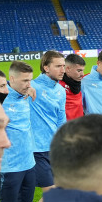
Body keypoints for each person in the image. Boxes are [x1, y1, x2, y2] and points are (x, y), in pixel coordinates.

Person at [0, 61, 36, 202]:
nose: (28, 84)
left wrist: (29, 87)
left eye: (30, 80)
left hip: (29, 163)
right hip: (9, 166)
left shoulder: (26, 94)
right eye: (25, 81)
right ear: (11, 79)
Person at [31, 50, 67, 193]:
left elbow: (61, 119)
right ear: (46, 68)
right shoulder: (32, 86)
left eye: (63, 66)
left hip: (54, 148)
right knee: (52, 193)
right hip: (37, 149)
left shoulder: (60, 90)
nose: (63, 70)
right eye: (58, 66)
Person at [61, 52, 86, 120]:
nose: (82, 74)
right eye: (79, 71)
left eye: (82, 70)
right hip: (67, 128)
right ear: (68, 69)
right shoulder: (57, 86)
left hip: (80, 127)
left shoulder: (78, 82)